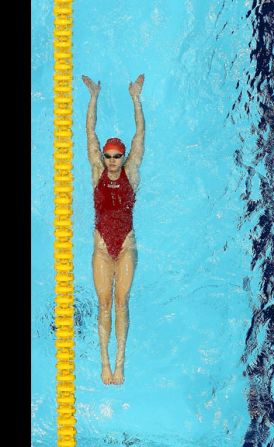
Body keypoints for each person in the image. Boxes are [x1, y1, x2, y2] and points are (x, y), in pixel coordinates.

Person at [82, 73, 146, 385]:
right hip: (101, 249)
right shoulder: (96, 170)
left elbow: (139, 137)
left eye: (116, 156)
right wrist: (93, 96)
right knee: (104, 303)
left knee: (122, 302)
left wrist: (136, 98)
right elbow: (89, 134)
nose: (111, 161)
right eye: (108, 156)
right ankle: (104, 365)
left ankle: (120, 363)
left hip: (126, 247)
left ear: (123, 158)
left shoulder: (131, 172)